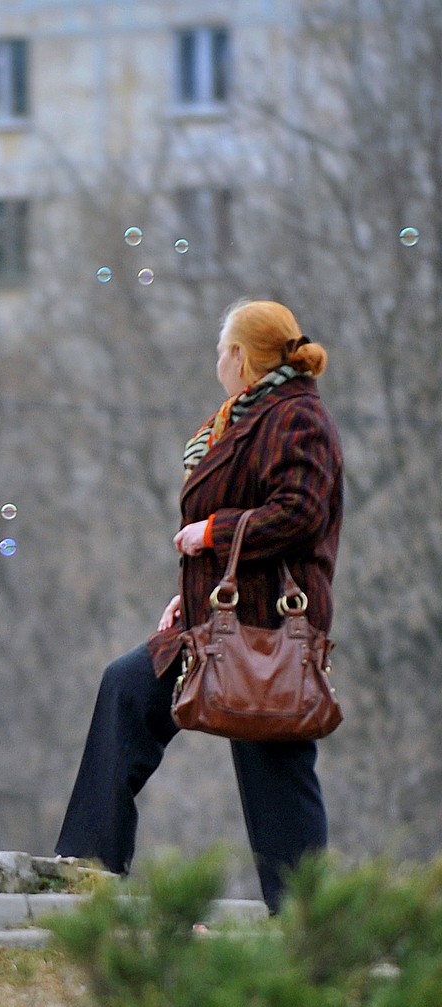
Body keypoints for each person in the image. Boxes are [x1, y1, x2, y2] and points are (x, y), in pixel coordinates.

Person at [54, 299, 344, 913]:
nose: (217, 362)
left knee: (276, 766)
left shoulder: (296, 419)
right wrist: (187, 596)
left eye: (221, 350)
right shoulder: (246, 419)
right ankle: (89, 870)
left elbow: (301, 512)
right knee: (128, 689)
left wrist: (213, 532)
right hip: (214, 623)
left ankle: (308, 921)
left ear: (240, 357)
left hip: (268, 629)